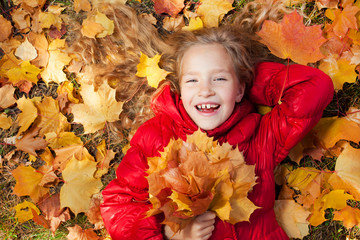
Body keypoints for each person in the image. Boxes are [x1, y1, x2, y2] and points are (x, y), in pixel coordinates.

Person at [98, 1, 334, 240]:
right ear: (179, 89)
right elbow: (120, 203)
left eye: (219, 79)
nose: (206, 90)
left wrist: (246, 80)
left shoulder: (261, 137)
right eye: (192, 81)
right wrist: (170, 234)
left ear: (241, 90)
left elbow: (315, 87)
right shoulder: (157, 137)